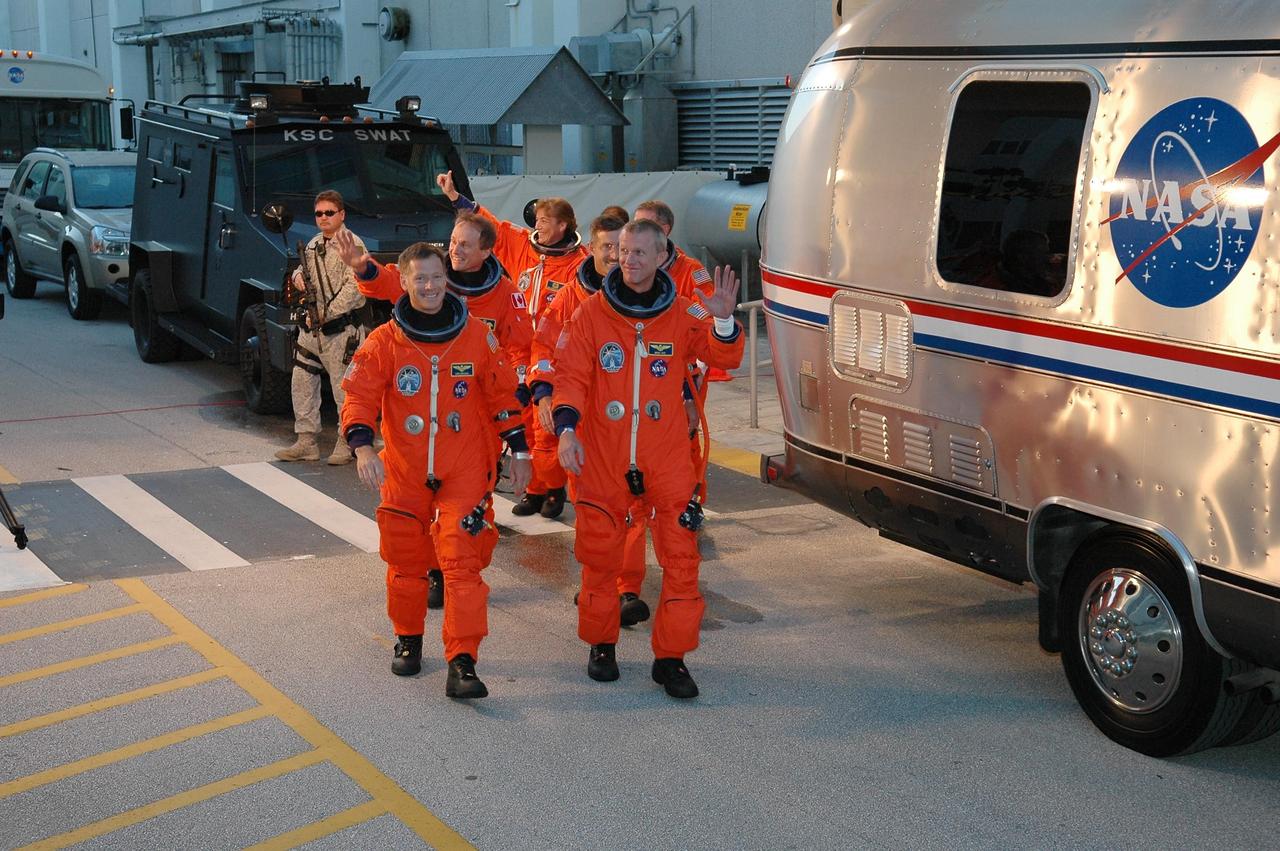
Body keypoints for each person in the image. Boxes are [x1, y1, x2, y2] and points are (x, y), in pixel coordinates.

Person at [551, 219, 745, 698]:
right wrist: (566, 430)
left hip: (667, 457)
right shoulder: (592, 314)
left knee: (681, 560)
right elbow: (571, 376)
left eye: (640, 252)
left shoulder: (682, 312)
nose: (629, 259)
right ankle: (602, 644)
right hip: (604, 455)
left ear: (662, 257)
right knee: (600, 558)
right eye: (622, 250)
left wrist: (722, 319)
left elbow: (726, 356)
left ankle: (671, 658)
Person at [340, 242, 532, 699]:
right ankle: (408, 640)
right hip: (404, 471)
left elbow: (503, 395)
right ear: (403, 282)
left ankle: (462, 661)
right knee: (406, 566)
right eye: (419, 278)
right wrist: (363, 449)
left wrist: (521, 451)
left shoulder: (476, 338)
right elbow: (359, 397)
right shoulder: (384, 342)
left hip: (462, 467)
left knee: (462, 567)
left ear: (446, 278)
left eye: (436, 277)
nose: (429, 286)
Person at [437, 170, 587, 518]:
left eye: (546, 221)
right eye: (537, 219)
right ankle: (534, 490)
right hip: (519, 349)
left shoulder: (577, 265)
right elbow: (492, 229)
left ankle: (554, 488)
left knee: (545, 430)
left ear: (564, 226)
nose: (539, 225)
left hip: (553, 355)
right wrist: (456, 198)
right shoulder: (523, 246)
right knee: (523, 427)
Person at [528, 213, 623, 519]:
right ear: (592, 249)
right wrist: (543, 394)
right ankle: (554, 490)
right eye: (606, 246)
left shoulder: (645, 296)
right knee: (561, 469)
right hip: (578, 403)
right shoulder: (570, 296)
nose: (614, 255)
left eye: (620, 247)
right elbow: (543, 345)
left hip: (625, 406)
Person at [276, 190, 368, 465]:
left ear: (342, 215)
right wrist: (297, 277)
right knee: (302, 381)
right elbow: (302, 272)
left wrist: (326, 313)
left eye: (330, 213)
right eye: (319, 213)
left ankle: (346, 441)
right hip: (312, 331)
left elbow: (356, 288)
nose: (324, 218)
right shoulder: (315, 244)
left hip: (341, 331)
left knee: (345, 391)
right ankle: (306, 441)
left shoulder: (353, 245)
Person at [634, 199, 731, 385]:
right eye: (635, 224)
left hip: (677, 362)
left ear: (664, 230)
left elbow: (704, 314)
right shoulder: (629, 267)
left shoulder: (690, 270)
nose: (636, 231)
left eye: (644, 225)